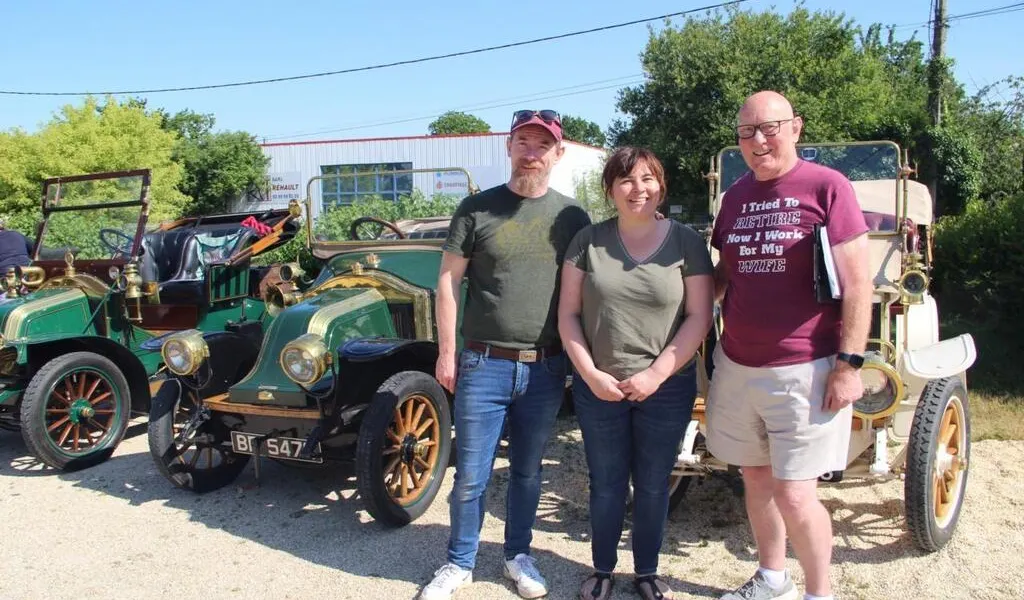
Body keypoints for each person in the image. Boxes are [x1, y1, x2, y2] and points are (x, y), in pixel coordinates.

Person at [420, 109, 592, 600]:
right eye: (523, 142)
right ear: (509, 147)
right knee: (471, 475)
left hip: (544, 366)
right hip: (482, 363)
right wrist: (446, 352)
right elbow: (449, 281)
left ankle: (518, 556)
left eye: (542, 144)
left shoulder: (572, 217)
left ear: (558, 154)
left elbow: (584, 293)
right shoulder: (476, 209)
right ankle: (459, 561)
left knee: (528, 471)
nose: (531, 151)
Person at [707, 91, 872, 600]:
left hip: (806, 369)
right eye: (747, 132)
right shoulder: (733, 197)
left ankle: (819, 594)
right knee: (756, 481)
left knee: (797, 494)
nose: (758, 141)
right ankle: (772, 578)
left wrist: (848, 365)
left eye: (769, 128)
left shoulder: (828, 187)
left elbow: (858, 282)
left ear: (795, 128)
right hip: (737, 366)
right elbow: (720, 276)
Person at [558, 147, 714, 600]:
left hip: (666, 388)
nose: (637, 189)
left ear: (660, 185)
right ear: (610, 189)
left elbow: (699, 317)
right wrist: (588, 374)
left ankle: (647, 571)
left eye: (647, 179)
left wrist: (657, 375)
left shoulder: (685, 241)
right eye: (625, 180)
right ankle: (602, 570)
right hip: (598, 386)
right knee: (606, 483)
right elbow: (568, 315)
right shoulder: (587, 241)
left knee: (652, 484)